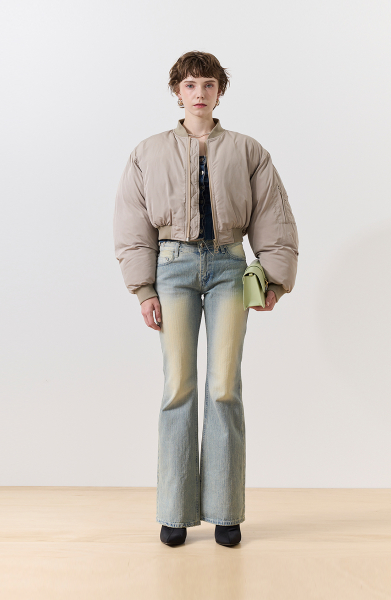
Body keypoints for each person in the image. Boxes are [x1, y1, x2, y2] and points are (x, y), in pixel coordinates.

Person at [113, 51, 299, 547]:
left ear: (220, 92)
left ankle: (225, 511)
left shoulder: (247, 150)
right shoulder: (148, 151)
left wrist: (274, 280)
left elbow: (273, 215)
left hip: (229, 267)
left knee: (223, 387)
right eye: (191, 85)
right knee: (178, 386)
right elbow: (132, 223)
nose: (200, 93)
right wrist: (143, 289)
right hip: (171, 268)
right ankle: (174, 511)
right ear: (177, 92)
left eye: (209, 84)